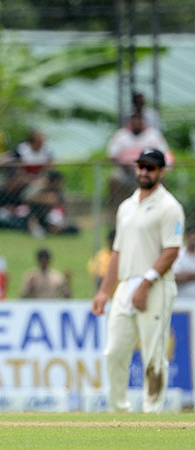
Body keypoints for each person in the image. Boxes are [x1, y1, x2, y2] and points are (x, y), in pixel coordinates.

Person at [91, 147, 184, 413]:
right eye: (141, 166)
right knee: (114, 351)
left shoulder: (169, 207)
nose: (144, 172)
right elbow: (117, 252)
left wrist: (145, 284)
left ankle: (152, 413)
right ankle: (118, 411)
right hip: (126, 284)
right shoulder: (126, 207)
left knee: (153, 354)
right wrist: (104, 291)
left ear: (161, 171)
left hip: (156, 286)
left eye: (150, 167)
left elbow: (171, 251)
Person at [106, 112, 172, 214]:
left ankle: (160, 208)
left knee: (161, 179)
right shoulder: (121, 135)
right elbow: (111, 156)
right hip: (125, 170)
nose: (136, 122)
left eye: (138, 119)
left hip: (148, 168)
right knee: (114, 178)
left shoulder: (153, 135)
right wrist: (125, 165)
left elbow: (166, 154)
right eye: (134, 119)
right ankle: (116, 210)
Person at [172, 225, 195, 300]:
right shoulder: (178, 254)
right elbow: (175, 277)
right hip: (182, 300)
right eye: (192, 234)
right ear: (187, 236)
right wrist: (192, 276)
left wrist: (187, 275)